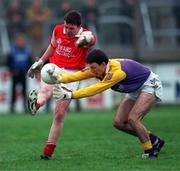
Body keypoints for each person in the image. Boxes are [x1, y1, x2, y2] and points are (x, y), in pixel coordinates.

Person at [46, 49, 165, 158]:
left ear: (103, 65)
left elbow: (96, 88)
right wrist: (59, 78)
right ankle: (154, 140)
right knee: (119, 122)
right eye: (90, 68)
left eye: (93, 68)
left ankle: (150, 151)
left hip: (149, 84)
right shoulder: (98, 67)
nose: (91, 71)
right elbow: (78, 75)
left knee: (133, 119)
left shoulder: (117, 72)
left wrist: (71, 95)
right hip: (135, 89)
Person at [27, 10, 96, 160]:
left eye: (71, 28)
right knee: (44, 91)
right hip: (54, 67)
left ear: (79, 27)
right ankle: (36, 104)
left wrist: (86, 39)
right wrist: (40, 62)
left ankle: (48, 151)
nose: (68, 31)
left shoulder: (85, 35)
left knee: (59, 114)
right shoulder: (58, 30)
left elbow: (90, 39)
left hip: (72, 75)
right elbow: (52, 47)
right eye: (66, 27)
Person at [7, 33, 32, 113]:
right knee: (13, 91)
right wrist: (12, 71)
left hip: (23, 74)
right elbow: (8, 62)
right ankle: (12, 107)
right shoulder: (12, 51)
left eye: (21, 41)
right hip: (15, 74)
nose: (20, 43)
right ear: (16, 42)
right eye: (19, 41)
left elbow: (29, 62)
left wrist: (28, 70)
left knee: (24, 91)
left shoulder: (26, 51)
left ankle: (25, 107)